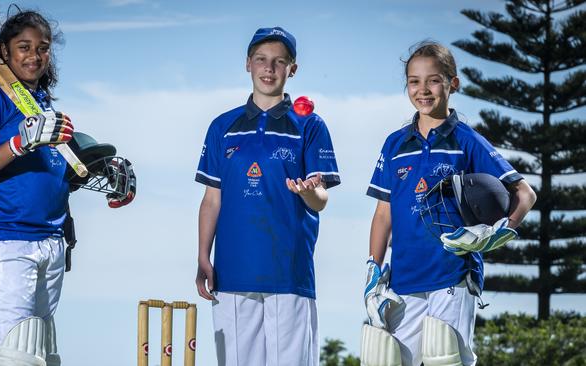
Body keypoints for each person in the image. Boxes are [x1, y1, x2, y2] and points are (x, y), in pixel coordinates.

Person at [0, 9, 134, 366]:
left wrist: (99, 173)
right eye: (24, 47)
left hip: (50, 240)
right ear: (4, 52)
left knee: (41, 355)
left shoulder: (42, 106)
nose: (34, 56)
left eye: (43, 48)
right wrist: (18, 144)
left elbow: (54, 178)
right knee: (15, 355)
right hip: (6, 238)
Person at [363, 41, 536, 366]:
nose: (423, 90)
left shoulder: (466, 141)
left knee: (448, 359)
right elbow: (383, 212)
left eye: (433, 80)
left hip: (453, 273)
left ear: (452, 83)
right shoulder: (395, 144)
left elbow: (525, 194)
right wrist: (373, 269)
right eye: (414, 81)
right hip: (404, 279)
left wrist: (500, 231)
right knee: (388, 361)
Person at [194, 27, 341, 366]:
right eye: (261, 60)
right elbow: (211, 199)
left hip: (289, 273)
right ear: (248, 64)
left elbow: (321, 199)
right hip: (232, 273)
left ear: (293, 68)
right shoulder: (222, 126)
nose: (269, 68)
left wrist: (309, 192)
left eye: (279, 61)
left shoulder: (311, 126)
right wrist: (203, 256)